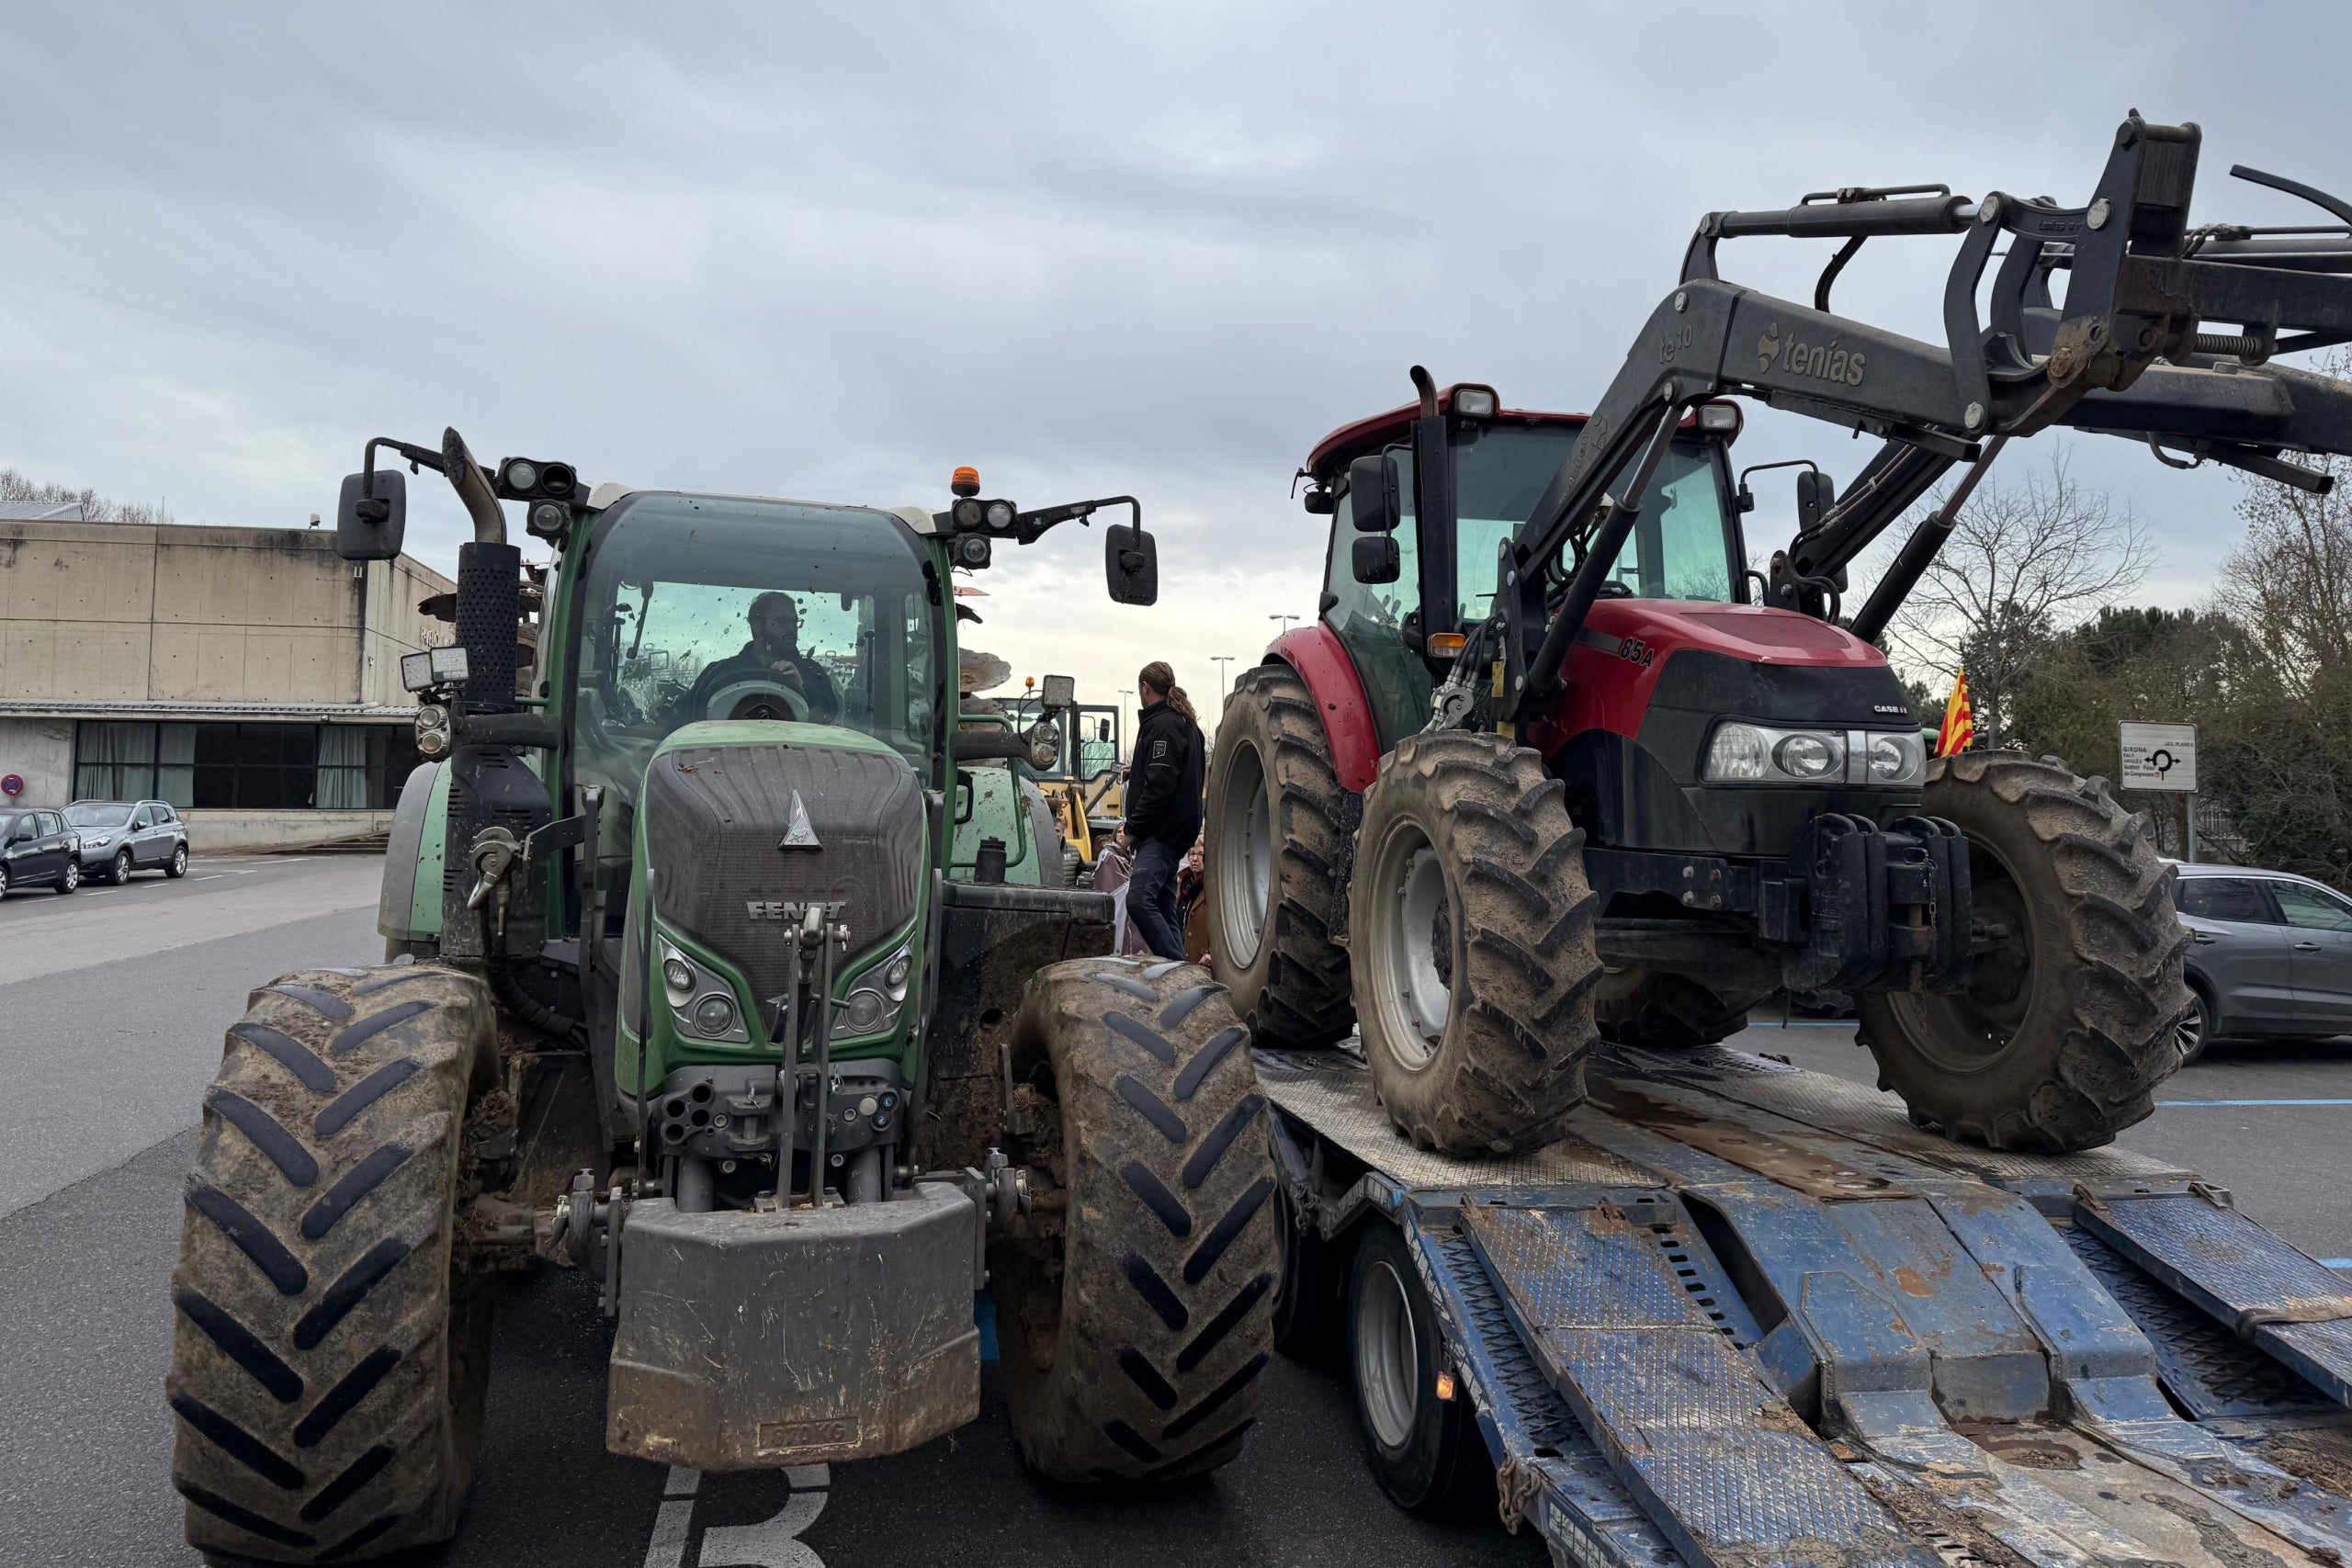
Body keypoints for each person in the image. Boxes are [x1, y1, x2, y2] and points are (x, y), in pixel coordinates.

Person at [1121, 660, 1205, 960]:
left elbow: (1159, 787)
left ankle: (1182, 972)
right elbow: (1173, 773)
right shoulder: (1185, 724)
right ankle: (1178, 967)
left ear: (1145, 687)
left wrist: (1131, 831)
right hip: (1179, 831)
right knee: (1164, 906)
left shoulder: (1162, 725)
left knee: (1140, 901)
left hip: (1160, 833)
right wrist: (1140, 768)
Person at [680, 591, 842, 723]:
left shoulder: (813, 672)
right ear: (757, 626)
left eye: (795, 622)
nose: (792, 628)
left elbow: (833, 720)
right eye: (782, 621)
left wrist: (802, 688)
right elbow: (683, 721)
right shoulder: (718, 672)